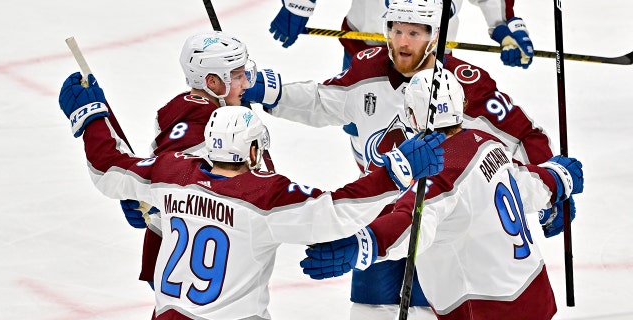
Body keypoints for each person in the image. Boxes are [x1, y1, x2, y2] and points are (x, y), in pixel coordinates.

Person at [244, 0, 571, 318]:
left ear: (435, 37)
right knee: (367, 309)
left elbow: (525, 137)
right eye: (396, 30)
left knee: (430, 307)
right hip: (381, 209)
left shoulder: (465, 86)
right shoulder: (367, 68)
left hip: (442, 227)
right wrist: (268, 92)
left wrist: (552, 188)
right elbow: (321, 100)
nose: (401, 42)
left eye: (414, 33)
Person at [57, 71, 447, 319]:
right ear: (255, 152)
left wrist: (91, 116)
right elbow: (336, 211)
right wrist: (397, 170)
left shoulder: (171, 171)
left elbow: (109, 167)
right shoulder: (264, 196)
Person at [299, 68, 584, 319]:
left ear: (410, 115)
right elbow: (524, 184)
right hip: (534, 292)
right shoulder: (489, 143)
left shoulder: (436, 173)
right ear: (461, 105)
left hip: (483, 307)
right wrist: (559, 177)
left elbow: (411, 224)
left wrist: (363, 245)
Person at [118, 31, 262, 288]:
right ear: (213, 82)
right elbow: (173, 164)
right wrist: (142, 196)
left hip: (176, 244)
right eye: (238, 76)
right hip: (191, 255)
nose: (246, 84)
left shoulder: (176, 108)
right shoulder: (211, 124)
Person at [268, 0, 534, 70]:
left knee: (431, 140)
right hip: (367, 47)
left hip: (433, 57)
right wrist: (299, 3)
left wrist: (506, 26)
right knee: (364, 133)